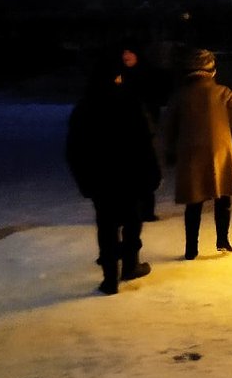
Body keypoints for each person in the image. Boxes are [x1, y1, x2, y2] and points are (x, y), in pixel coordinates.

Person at [66, 50, 162, 295]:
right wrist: (151, 172)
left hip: (101, 178)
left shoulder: (85, 108)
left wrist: (84, 180)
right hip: (129, 174)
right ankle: (129, 265)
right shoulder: (129, 102)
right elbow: (145, 140)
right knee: (131, 220)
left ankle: (110, 277)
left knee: (106, 224)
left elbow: (74, 149)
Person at [161, 48, 232, 259]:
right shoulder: (223, 93)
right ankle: (223, 240)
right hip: (219, 151)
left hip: (190, 153)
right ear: (211, 70)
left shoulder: (180, 96)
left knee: (194, 202)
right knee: (223, 197)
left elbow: (168, 127)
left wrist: (169, 151)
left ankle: (191, 248)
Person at [118, 38, 169, 222]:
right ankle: (128, 210)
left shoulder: (147, 74)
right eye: (124, 53)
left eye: (130, 52)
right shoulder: (119, 76)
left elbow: (156, 96)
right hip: (124, 131)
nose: (126, 56)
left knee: (147, 171)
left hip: (145, 130)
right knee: (127, 173)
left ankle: (147, 210)